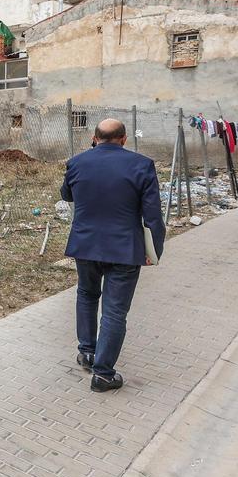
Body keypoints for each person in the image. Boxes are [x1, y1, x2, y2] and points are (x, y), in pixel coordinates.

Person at [60, 119, 165, 393]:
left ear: (94, 138)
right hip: (125, 249)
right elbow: (153, 215)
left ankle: (87, 352)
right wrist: (154, 250)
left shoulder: (76, 163)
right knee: (115, 311)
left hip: (85, 245)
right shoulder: (142, 165)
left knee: (86, 295)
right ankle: (103, 374)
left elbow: (67, 194)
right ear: (124, 139)